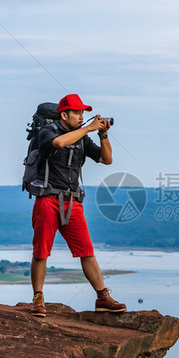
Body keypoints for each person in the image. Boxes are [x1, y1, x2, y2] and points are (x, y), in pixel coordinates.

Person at [29, 93, 126, 317]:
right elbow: (59, 142)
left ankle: (102, 297)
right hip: (48, 198)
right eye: (77, 112)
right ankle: (38, 298)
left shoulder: (82, 136)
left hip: (72, 200)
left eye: (83, 112)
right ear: (64, 114)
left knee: (86, 251)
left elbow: (106, 159)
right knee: (41, 252)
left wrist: (103, 135)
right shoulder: (48, 132)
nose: (81, 116)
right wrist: (88, 129)